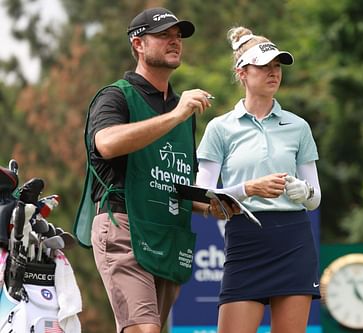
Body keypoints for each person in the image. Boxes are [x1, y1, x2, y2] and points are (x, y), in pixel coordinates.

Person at [76, 7, 232, 333]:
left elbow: (176, 183)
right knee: (144, 329)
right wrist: (176, 115)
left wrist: (220, 204)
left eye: (178, 37)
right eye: (164, 35)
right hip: (124, 227)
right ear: (138, 44)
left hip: (167, 233)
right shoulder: (116, 96)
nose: (174, 42)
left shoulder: (181, 110)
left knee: (152, 330)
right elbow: (106, 143)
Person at [195, 26, 322, 333]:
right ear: (242, 72)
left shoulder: (298, 126)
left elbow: (315, 198)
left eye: (277, 66)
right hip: (245, 240)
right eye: (264, 66)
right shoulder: (220, 128)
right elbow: (200, 195)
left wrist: (302, 191)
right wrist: (249, 189)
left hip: (293, 239)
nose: (273, 73)